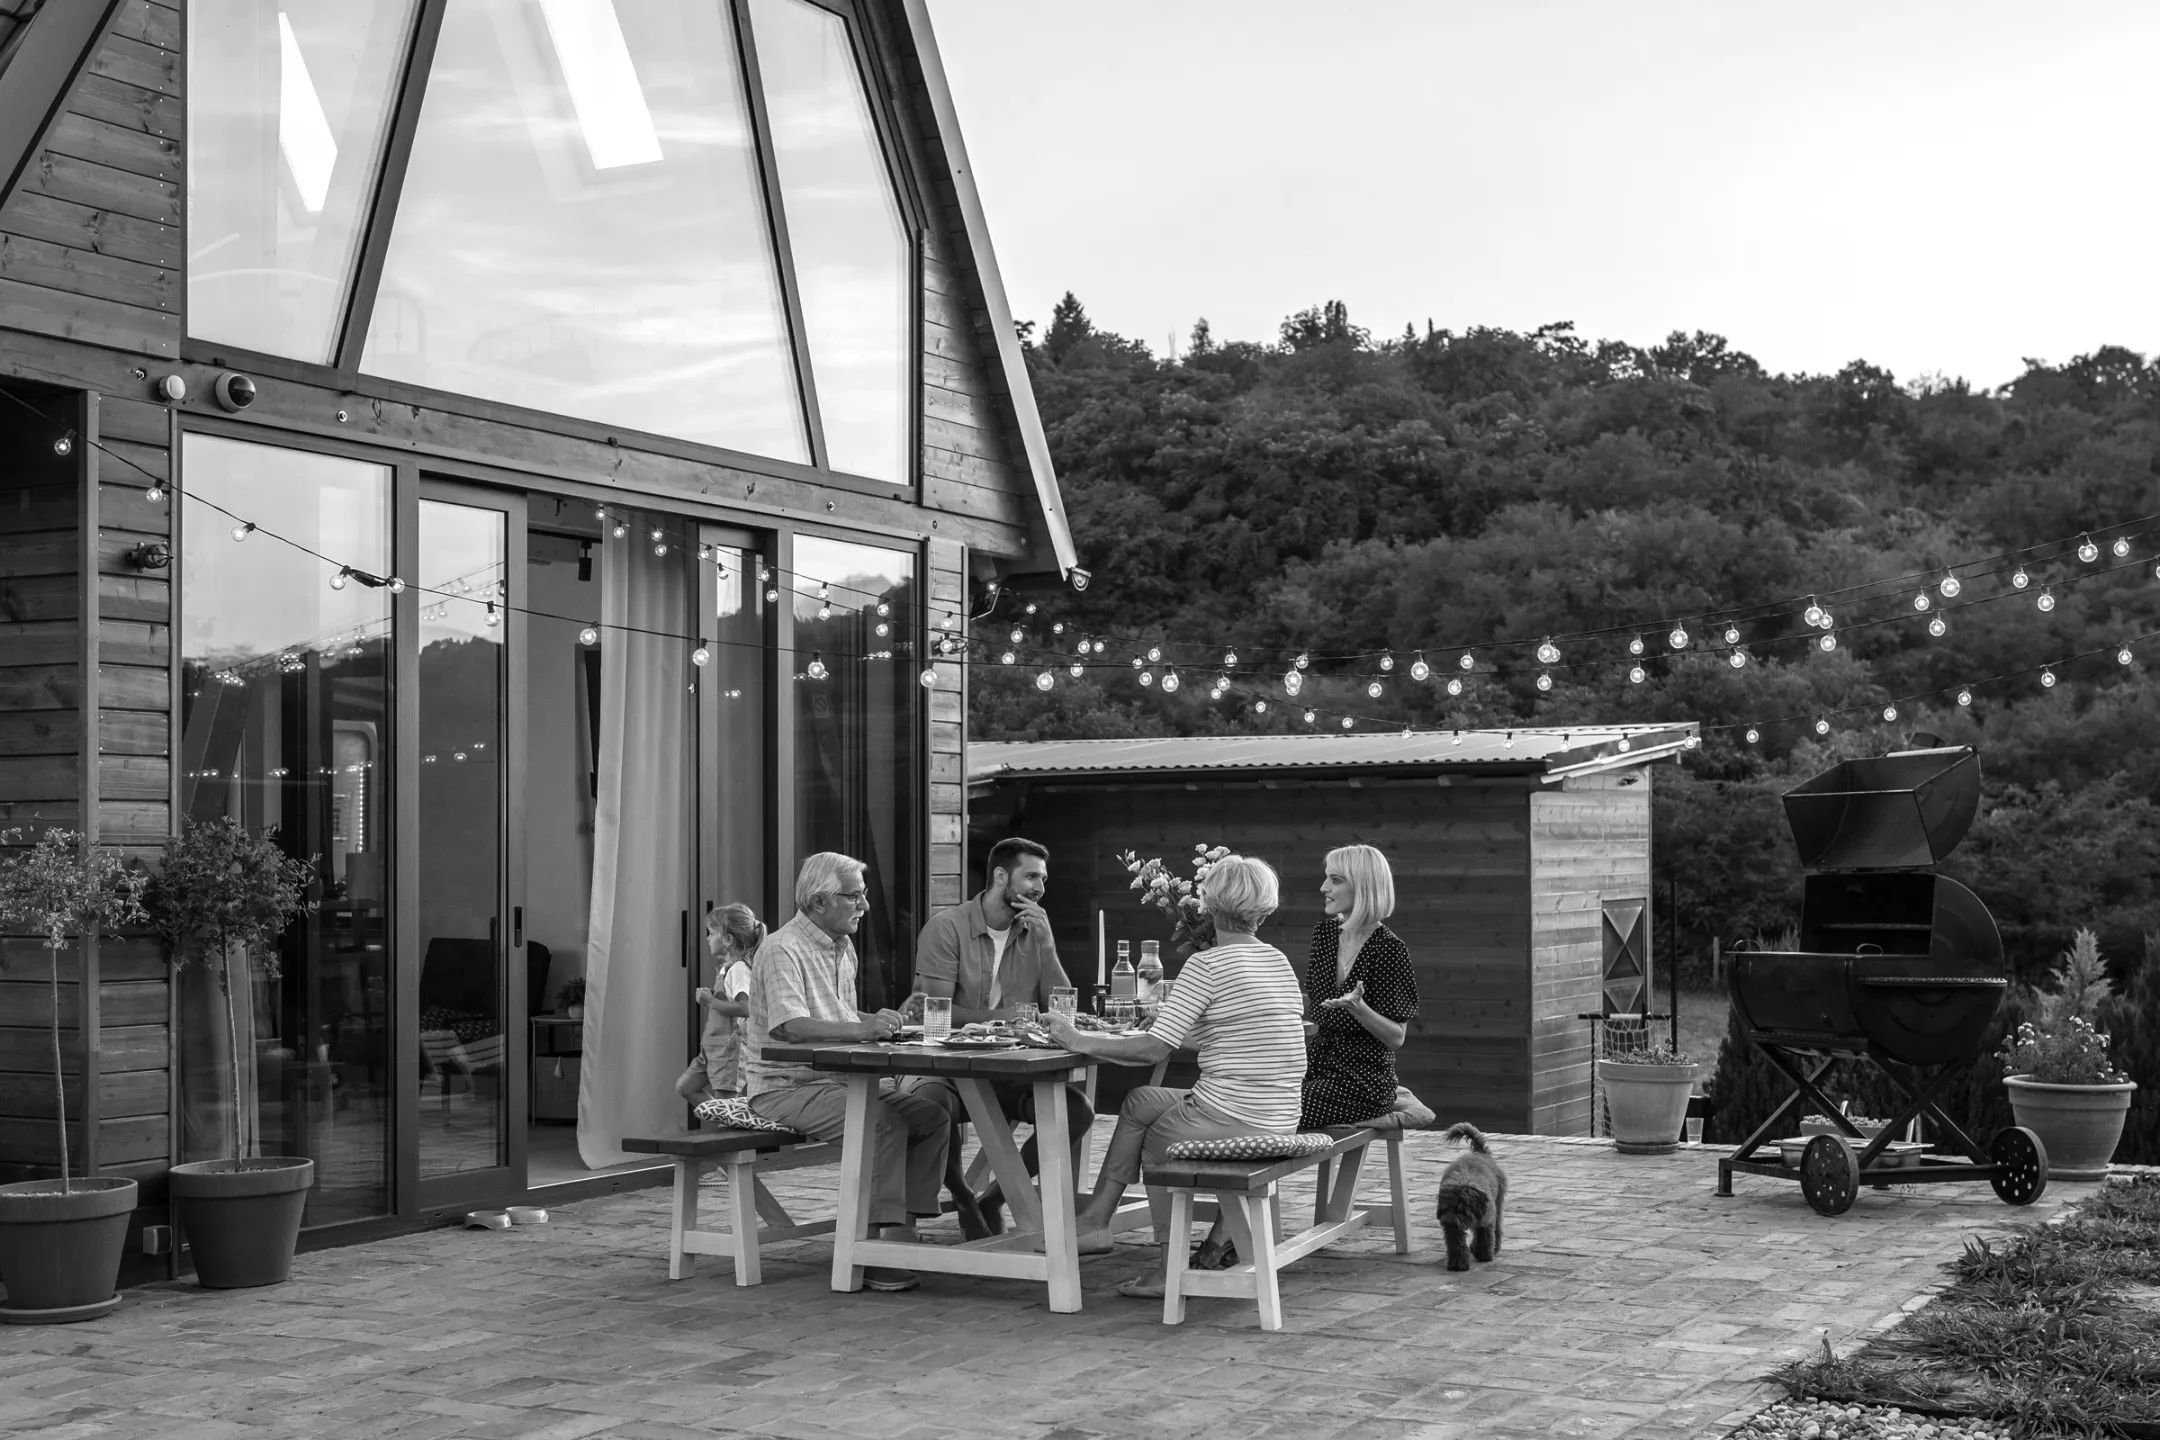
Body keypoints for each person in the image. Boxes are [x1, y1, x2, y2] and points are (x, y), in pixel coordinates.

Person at [1044, 854, 1306, 1263]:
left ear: (1210, 904)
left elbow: (1152, 1050)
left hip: (1237, 1115)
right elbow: (1231, 1035)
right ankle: (1094, 1221)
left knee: (1157, 1139)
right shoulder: (1277, 960)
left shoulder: (1207, 964)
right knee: (1140, 1102)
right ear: (1264, 907)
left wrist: (1077, 1039)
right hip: (1280, 1113)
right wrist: (1170, 1017)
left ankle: (1170, 1265)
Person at [1186, 843, 1421, 1272]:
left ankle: (1227, 1237)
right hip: (1315, 1060)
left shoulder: (1390, 950)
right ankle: (1238, 1230)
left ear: (1362, 886)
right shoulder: (1325, 934)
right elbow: (1306, 1001)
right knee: (1252, 1095)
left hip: (1362, 1079)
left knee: (1271, 1112)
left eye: (1335, 879)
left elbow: (1397, 1037)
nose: (1323, 887)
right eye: (1326, 877)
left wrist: (1358, 1007)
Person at [745, 853, 950, 1293]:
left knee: (931, 1117)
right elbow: (791, 1026)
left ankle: (899, 1234)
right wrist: (862, 1028)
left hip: (837, 1082)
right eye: (854, 896)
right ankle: (869, 1247)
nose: (865, 905)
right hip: (784, 1087)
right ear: (819, 902)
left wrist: (882, 1020)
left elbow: (833, 1016)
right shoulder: (782, 948)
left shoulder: (841, 946)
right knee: (882, 1122)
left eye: (864, 894)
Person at [912, 837, 1094, 1234]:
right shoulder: (946, 928)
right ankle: (963, 1198)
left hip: (1012, 1068)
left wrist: (1048, 946)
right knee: (928, 1105)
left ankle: (995, 1197)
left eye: (1043, 879)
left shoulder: (1034, 931)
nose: (1040, 888)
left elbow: (1061, 1008)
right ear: (1000, 876)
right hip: (950, 1067)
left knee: (1077, 1111)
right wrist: (1000, 1019)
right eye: (1030, 876)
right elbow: (935, 1011)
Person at [675, 904, 765, 1102]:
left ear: (727, 939)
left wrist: (711, 1001)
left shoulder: (739, 969)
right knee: (685, 1087)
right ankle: (722, 1118)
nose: (708, 938)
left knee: (726, 1104)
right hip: (712, 1049)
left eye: (712, 933)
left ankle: (728, 1124)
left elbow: (746, 1008)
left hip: (728, 1051)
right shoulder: (727, 968)